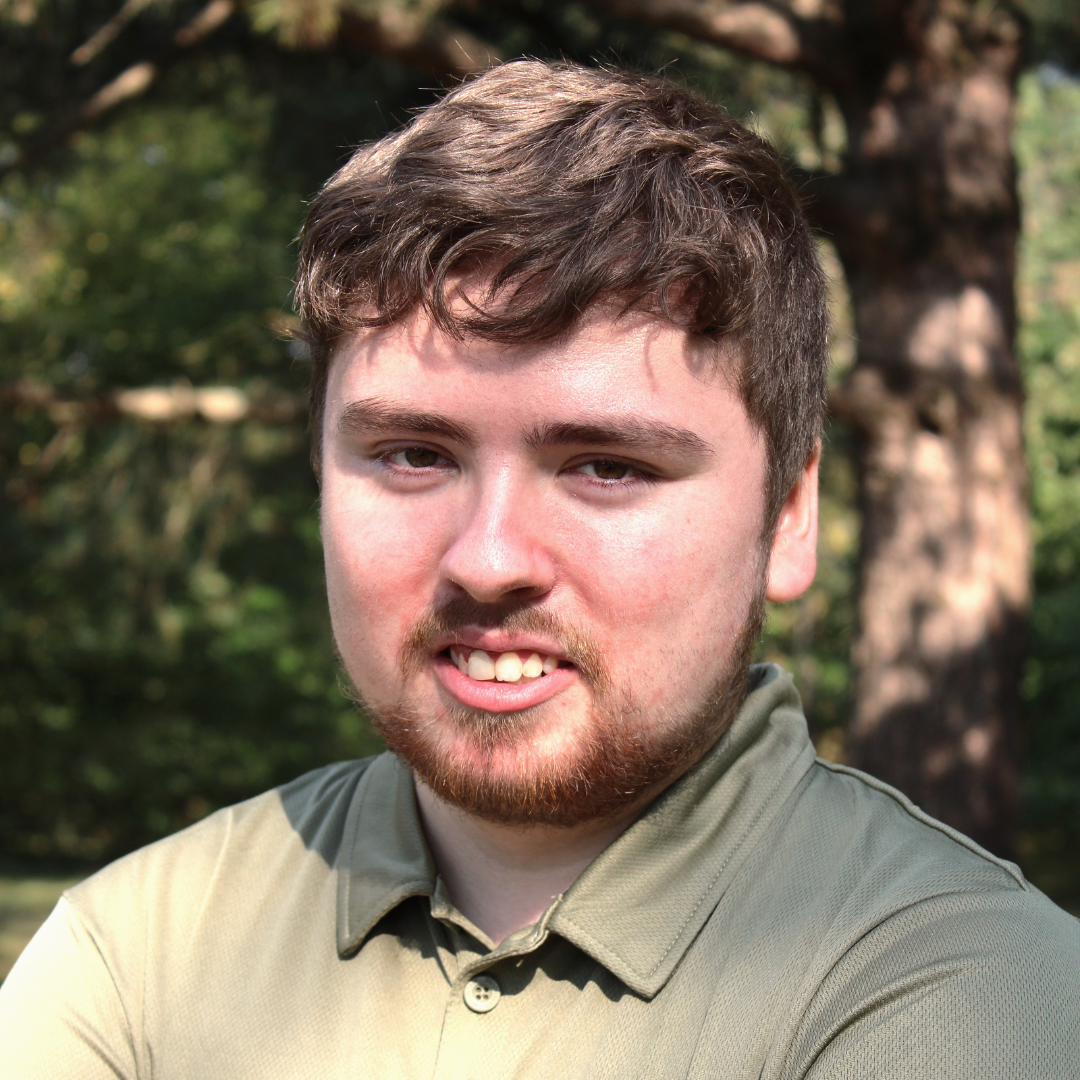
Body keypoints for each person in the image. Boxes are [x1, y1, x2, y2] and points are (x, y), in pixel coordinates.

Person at [1, 60, 1077, 1079]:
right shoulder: (136, 957)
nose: (489, 560)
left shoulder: (971, 990)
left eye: (607, 466)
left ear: (788, 515)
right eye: (413, 454)